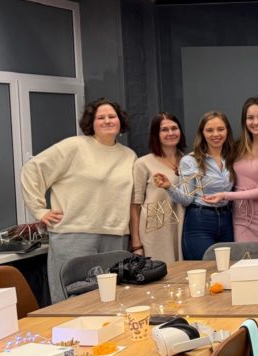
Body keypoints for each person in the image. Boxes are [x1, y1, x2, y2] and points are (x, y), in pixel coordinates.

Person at [22, 98, 136, 303]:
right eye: (101, 117)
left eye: (112, 116)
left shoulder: (129, 156)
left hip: (115, 235)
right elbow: (32, 169)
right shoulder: (74, 146)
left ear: (120, 121)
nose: (107, 121)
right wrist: (39, 210)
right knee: (72, 300)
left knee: (112, 299)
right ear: (91, 122)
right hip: (74, 234)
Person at [158, 111, 235, 260]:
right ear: (202, 133)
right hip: (200, 221)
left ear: (227, 131)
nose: (215, 134)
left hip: (227, 220)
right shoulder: (190, 161)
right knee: (204, 267)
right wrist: (169, 186)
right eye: (209, 130)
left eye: (220, 129)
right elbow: (186, 199)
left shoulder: (233, 157)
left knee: (228, 268)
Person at [204, 97, 258, 241]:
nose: (256, 122)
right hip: (240, 217)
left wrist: (225, 195)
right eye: (250, 118)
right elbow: (213, 155)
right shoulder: (238, 146)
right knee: (242, 254)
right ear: (244, 121)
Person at [130, 112, 185, 264]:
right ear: (156, 134)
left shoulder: (189, 161)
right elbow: (135, 206)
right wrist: (136, 244)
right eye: (164, 130)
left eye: (174, 128)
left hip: (183, 230)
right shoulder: (142, 164)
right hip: (156, 233)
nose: (171, 133)